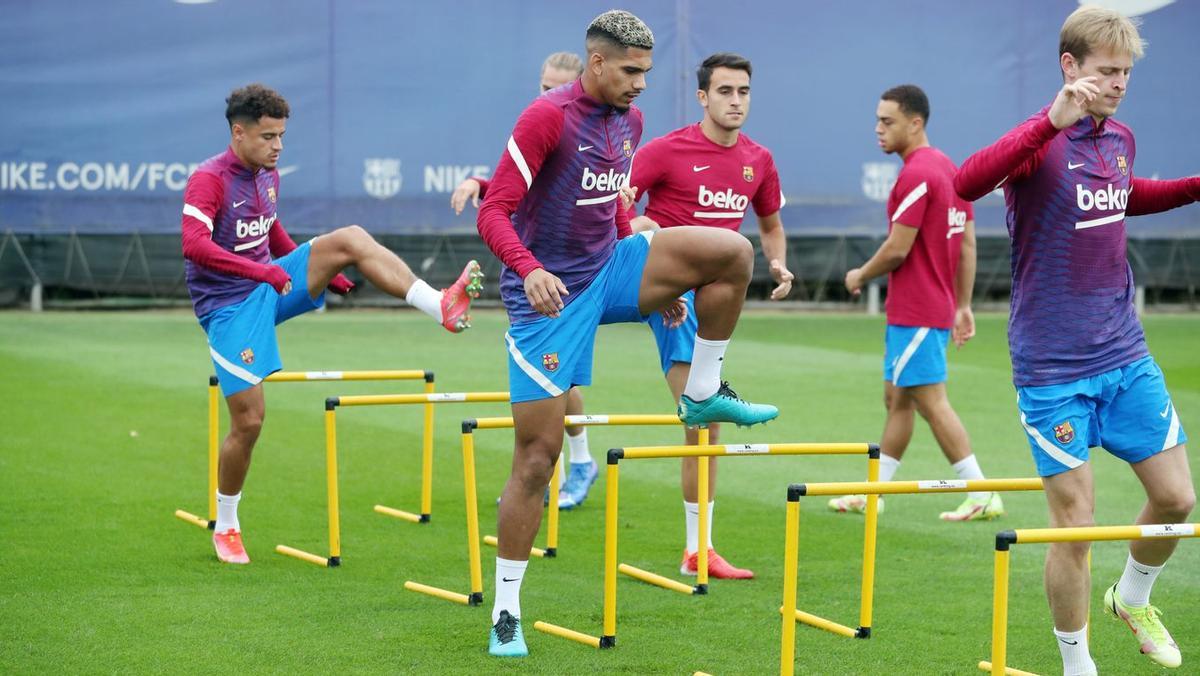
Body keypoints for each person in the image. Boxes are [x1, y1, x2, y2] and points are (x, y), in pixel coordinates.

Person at [476, 10, 777, 657]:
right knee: (538, 458)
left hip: (610, 267)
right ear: (598, 63)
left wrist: (652, 289)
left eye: (648, 71)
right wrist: (527, 270)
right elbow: (493, 209)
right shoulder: (547, 118)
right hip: (546, 297)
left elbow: (614, 199)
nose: (642, 85)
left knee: (732, 254)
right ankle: (505, 612)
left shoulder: (629, 121)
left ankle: (702, 389)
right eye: (632, 72)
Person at [955, 6, 1198, 673]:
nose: (1118, 83)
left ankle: (1133, 597)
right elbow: (965, 183)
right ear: (1070, 66)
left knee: (1178, 498)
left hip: (1124, 353)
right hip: (1053, 367)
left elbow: (1124, 194)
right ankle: (1076, 664)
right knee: (1077, 526)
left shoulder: (1119, 137)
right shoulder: (1041, 140)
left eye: (1125, 73)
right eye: (1105, 71)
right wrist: (1050, 118)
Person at [181, 83, 483, 565]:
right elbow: (194, 246)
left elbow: (270, 229)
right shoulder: (209, 179)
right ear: (238, 133)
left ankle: (439, 305)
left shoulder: (266, 174)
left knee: (351, 238)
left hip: (270, 285)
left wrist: (324, 274)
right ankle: (228, 522)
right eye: (267, 136)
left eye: (282, 136)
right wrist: (265, 271)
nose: (278, 146)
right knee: (250, 419)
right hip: (228, 307)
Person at [624, 52, 794, 579]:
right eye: (724, 91)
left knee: (706, 427)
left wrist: (778, 263)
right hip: (669, 293)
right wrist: (653, 259)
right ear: (703, 97)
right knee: (704, 419)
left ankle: (699, 549)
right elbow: (615, 208)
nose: (735, 100)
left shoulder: (758, 159)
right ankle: (697, 549)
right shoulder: (665, 150)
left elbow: (769, 221)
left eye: (743, 91)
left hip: (716, 299)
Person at [830, 84, 1003, 522]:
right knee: (897, 399)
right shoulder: (949, 168)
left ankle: (981, 492)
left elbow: (896, 249)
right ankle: (874, 494)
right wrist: (962, 304)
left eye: (887, 121)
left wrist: (858, 275)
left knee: (929, 400)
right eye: (877, 120)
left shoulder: (915, 174)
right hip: (934, 308)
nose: (878, 130)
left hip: (916, 310)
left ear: (915, 123)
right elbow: (966, 244)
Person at [451, 52, 603, 511]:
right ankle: (568, 465)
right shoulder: (540, 122)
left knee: (554, 377)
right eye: (542, 85)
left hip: (572, 275)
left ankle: (566, 466)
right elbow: (513, 182)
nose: (547, 94)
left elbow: (599, 196)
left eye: (557, 85)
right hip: (530, 272)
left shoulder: (593, 131)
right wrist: (481, 182)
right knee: (557, 378)